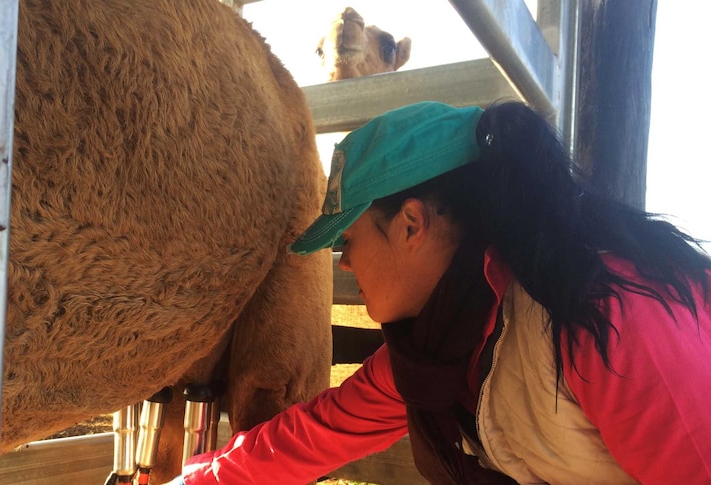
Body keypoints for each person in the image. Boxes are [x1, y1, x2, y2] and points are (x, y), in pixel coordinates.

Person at [164, 100, 711, 484]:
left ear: (410, 225)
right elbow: (311, 435)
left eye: (348, 240)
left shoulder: (608, 314)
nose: (346, 262)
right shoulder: (434, 345)